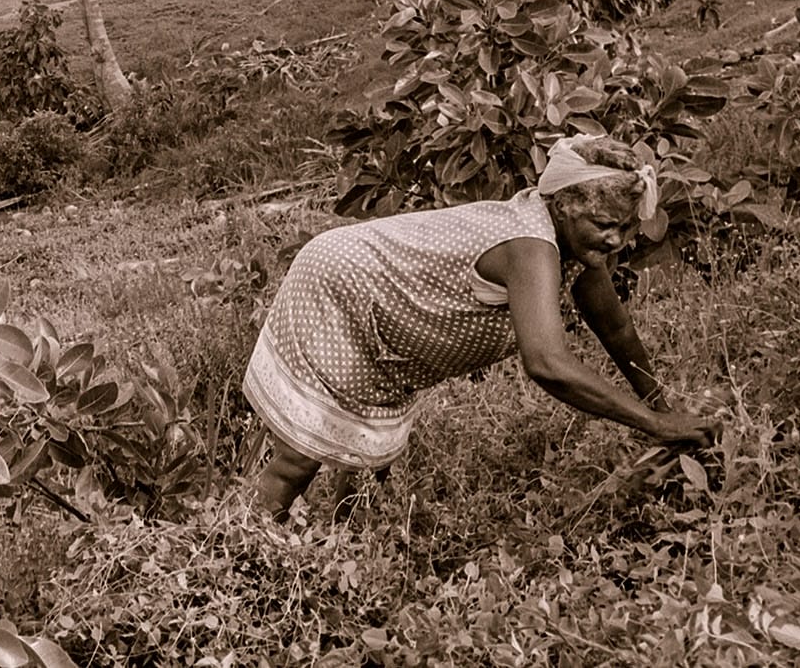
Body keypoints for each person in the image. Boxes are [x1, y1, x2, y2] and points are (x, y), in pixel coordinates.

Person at [245, 134, 717, 517]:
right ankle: (243, 548)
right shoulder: (530, 245)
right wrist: (654, 423)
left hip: (378, 303)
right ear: (565, 204)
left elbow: (614, 329)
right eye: (603, 224)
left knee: (356, 434)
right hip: (344, 285)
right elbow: (548, 363)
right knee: (303, 451)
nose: (615, 240)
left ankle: (341, 532)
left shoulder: (576, 244)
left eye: (626, 228)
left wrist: (663, 406)